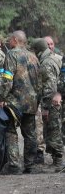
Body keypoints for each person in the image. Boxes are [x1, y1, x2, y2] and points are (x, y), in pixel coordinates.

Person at [0, 30, 39, 175]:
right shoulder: (34, 57)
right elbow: (39, 81)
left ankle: (14, 165)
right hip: (32, 102)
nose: (8, 42)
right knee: (30, 134)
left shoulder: (11, 55)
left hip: (15, 102)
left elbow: (7, 80)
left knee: (10, 131)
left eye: (9, 39)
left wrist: (1, 97)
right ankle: (30, 165)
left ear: (15, 40)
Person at [31, 38, 63, 171]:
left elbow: (49, 87)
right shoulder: (53, 58)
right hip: (55, 100)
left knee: (53, 131)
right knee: (53, 130)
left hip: (51, 103)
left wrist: (45, 108)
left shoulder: (46, 63)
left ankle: (59, 162)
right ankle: (57, 160)